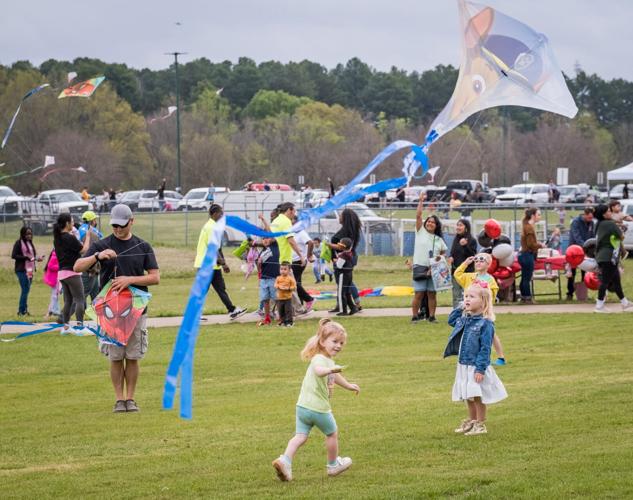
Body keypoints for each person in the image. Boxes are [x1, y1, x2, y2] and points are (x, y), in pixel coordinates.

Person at [74, 204, 160, 413]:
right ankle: (119, 400)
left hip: (136, 311)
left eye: (122, 225)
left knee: (132, 356)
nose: (118, 229)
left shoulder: (143, 246)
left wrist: (129, 279)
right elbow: (77, 267)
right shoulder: (103, 244)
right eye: (114, 225)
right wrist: (97, 256)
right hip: (110, 311)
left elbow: (155, 277)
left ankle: (130, 399)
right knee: (115, 357)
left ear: (132, 221)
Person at [272, 318, 360, 482]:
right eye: (335, 341)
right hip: (318, 409)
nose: (339, 346)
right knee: (332, 433)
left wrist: (348, 385)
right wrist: (330, 369)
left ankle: (285, 461)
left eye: (341, 343)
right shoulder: (319, 359)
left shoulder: (327, 360)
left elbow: (334, 374)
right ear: (322, 341)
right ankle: (333, 465)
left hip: (302, 407)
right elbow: (320, 371)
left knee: (300, 436)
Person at [444, 282, 507, 436]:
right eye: (465, 296)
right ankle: (471, 421)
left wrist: (480, 369)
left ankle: (480, 424)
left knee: (477, 395)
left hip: (475, 366)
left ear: (483, 301)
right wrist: (461, 306)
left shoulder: (486, 324)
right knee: (468, 395)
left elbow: (485, 348)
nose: (467, 299)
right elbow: (451, 320)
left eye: (471, 297)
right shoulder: (465, 319)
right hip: (463, 364)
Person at [194, 204, 246, 320]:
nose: (222, 216)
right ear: (214, 214)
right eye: (220, 213)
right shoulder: (211, 227)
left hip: (213, 265)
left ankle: (232, 310)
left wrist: (223, 264)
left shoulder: (213, 226)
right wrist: (223, 263)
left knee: (220, 288)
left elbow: (218, 248)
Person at [454, 254, 507, 365]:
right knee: (468, 333)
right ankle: (468, 355)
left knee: (491, 334)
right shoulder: (470, 277)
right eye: (476, 261)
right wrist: (465, 263)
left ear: (488, 264)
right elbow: (457, 274)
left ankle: (500, 357)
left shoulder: (490, 280)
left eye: (481, 261)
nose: (478, 263)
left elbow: (491, 295)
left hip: (483, 312)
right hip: (469, 311)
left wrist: (485, 308)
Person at [411, 194, 447, 323]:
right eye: (429, 221)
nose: (430, 223)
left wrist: (437, 264)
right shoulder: (420, 232)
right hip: (420, 266)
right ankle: (415, 316)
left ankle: (431, 316)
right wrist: (421, 201)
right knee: (419, 293)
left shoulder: (439, 240)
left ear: (436, 226)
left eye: (433, 222)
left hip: (434, 270)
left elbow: (443, 253)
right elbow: (418, 216)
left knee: (432, 294)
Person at [53, 213, 90, 333]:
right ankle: (80, 327)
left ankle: (66, 327)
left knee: (68, 301)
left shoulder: (58, 238)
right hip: (72, 272)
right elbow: (83, 249)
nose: (73, 223)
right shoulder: (69, 237)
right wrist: (88, 236)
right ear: (67, 223)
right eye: (72, 221)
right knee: (80, 299)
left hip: (62, 273)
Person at [593, 204, 633, 313]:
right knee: (605, 282)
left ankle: (624, 303)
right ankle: (599, 306)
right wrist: (621, 229)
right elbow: (621, 237)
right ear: (603, 214)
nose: (611, 213)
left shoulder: (599, 224)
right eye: (608, 211)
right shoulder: (610, 224)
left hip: (604, 256)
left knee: (616, 281)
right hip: (608, 257)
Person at [326, 208, 363, 314]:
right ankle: (343, 305)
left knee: (346, 283)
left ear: (345, 218)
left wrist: (330, 246)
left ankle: (355, 304)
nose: (339, 217)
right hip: (345, 258)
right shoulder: (349, 231)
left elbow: (341, 247)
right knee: (343, 283)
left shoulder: (346, 232)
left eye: (341, 215)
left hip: (343, 260)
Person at [12, 226, 43, 316]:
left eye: (30, 233)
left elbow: (31, 257)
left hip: (30, 269)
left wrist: (37, 259)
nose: (29, 235)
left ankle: (24, 310)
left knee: (27, 290)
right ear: (23, 234)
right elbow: (14, 255)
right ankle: (21, 311)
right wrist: (25, 258)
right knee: (25, 289)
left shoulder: (30, 243)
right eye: (27, 234)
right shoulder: (18, 243)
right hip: (21, 270)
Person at [448, 218, 477, 307]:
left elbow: (472, 256)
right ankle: (456, 316)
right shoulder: (456, 239)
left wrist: (465, 246)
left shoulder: (472, 240)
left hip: (467, 273)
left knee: (468, 295)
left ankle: (468, 314)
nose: (458, 227)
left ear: (466, 227)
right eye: (457, 225)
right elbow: (452, 252)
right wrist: (451, 257)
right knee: (456, 296)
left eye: (460, 225)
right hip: (456, 272)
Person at [567, 207, 595, 300]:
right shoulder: (575, 222)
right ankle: (569, 293)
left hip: (586, 251)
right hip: (574, 251)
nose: (590, 220)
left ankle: (583, 294)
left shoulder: (591, 223)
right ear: (585, 214)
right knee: (572, 272)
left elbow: (593, 236)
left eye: (592, 218)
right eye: (589, 218)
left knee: (585, 272)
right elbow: (576, 236)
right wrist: (585, 246)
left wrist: (591, 247)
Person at [518, 208, 544, 304]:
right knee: (527, 278)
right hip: (526, 255)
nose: (539, 217)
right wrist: (541, 245)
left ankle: (524, 297)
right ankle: (528, 297)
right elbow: (531, 245)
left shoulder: (527, 226)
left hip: (523, 255)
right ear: (533, 216)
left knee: (524, 277)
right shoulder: (529, 228)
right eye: (538, 215)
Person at [78, 211, 104, 307]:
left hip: (82, 264)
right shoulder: (93, 231)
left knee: (95, 292)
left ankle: (96, 312)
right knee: (83, 293)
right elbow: (101, 243)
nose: (96, 221)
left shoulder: (79, 229)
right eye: (95, 219)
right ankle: (69, 315)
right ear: (92, 220)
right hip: (91, 266)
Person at [290, 223, 316, 314]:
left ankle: (309, 299)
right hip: (292, 260)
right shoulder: (291, 232)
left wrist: (309, 255)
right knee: (297, 283)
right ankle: (299, 305)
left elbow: (311, 242)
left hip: (299, 261)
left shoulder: (300, 232)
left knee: (293, 283)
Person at [256, 237, 280, 326]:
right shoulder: (262, 252)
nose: (265, 240)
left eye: (267, 238)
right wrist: (258, 265)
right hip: (263, 279)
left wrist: (264, 222)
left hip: (273, 278)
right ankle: (267, 318)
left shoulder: (275, 246)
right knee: (265, 299)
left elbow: (273, 236)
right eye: (263, 239)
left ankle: (280, 317)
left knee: (276, 299)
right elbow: (259, 267)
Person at [332, 238, 357, 316]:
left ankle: (343, 311)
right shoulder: (350, 253)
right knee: (347, 292)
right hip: (349, 275)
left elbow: (339, 266)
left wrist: (336, 261)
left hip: (343, 275)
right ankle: (353, 308)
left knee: (341, 293)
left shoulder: (343, 255)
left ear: (342, 246)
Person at [275, 262, 297, 327]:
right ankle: (282, 321)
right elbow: (275, 285)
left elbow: (294, 286)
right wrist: (278, 286)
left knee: (288, 310)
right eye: (281, 269)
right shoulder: (278, 278)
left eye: (285, 269)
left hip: (287, 298)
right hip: (280, 298)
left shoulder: (290, 278)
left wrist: (288, 288)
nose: (283, 271)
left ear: (289, 270)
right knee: (280, 310)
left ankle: (290, 322)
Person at [42, 249, 61, 321]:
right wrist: (61, 267)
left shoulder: (55, 253)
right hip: (54, 278)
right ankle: (50, 312)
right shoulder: (56, 254)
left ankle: (56, 311)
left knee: (55, 295)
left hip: (55, 278)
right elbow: (50, 266)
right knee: (55, 296)